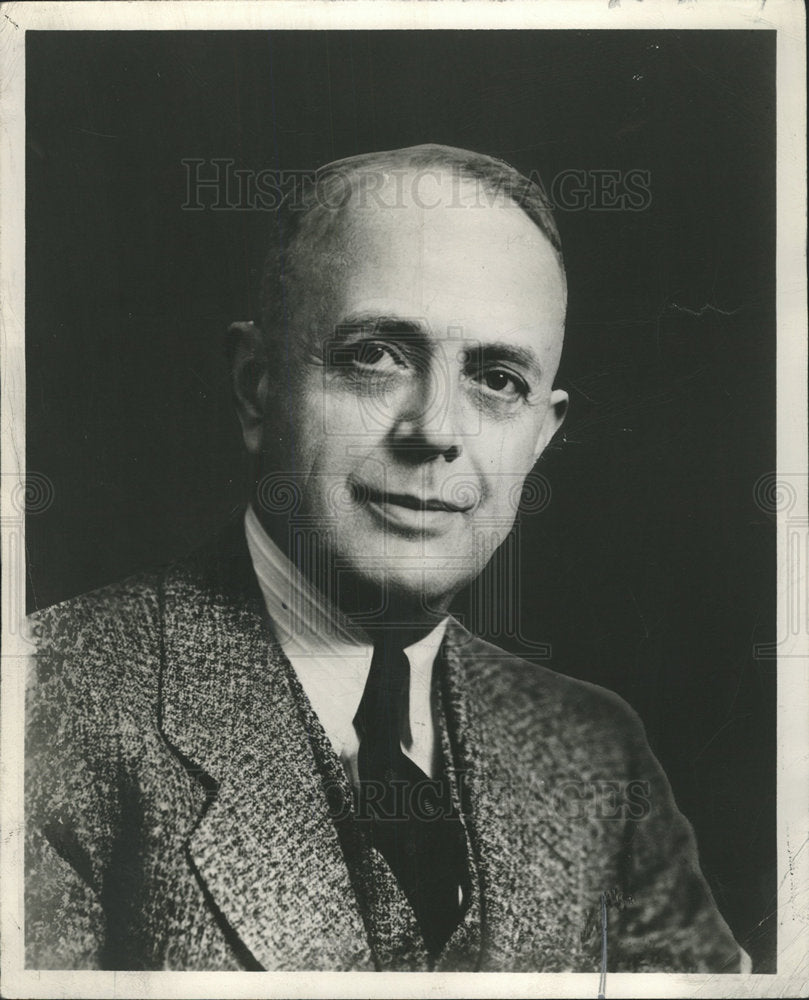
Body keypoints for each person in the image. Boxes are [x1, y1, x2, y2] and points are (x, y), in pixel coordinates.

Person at [25, 144, 748, 973]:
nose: (436, 428)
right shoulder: (44, 703)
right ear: (256, 386)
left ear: (540, 437)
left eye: (497, 379)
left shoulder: (594, 750)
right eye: (376, 355)